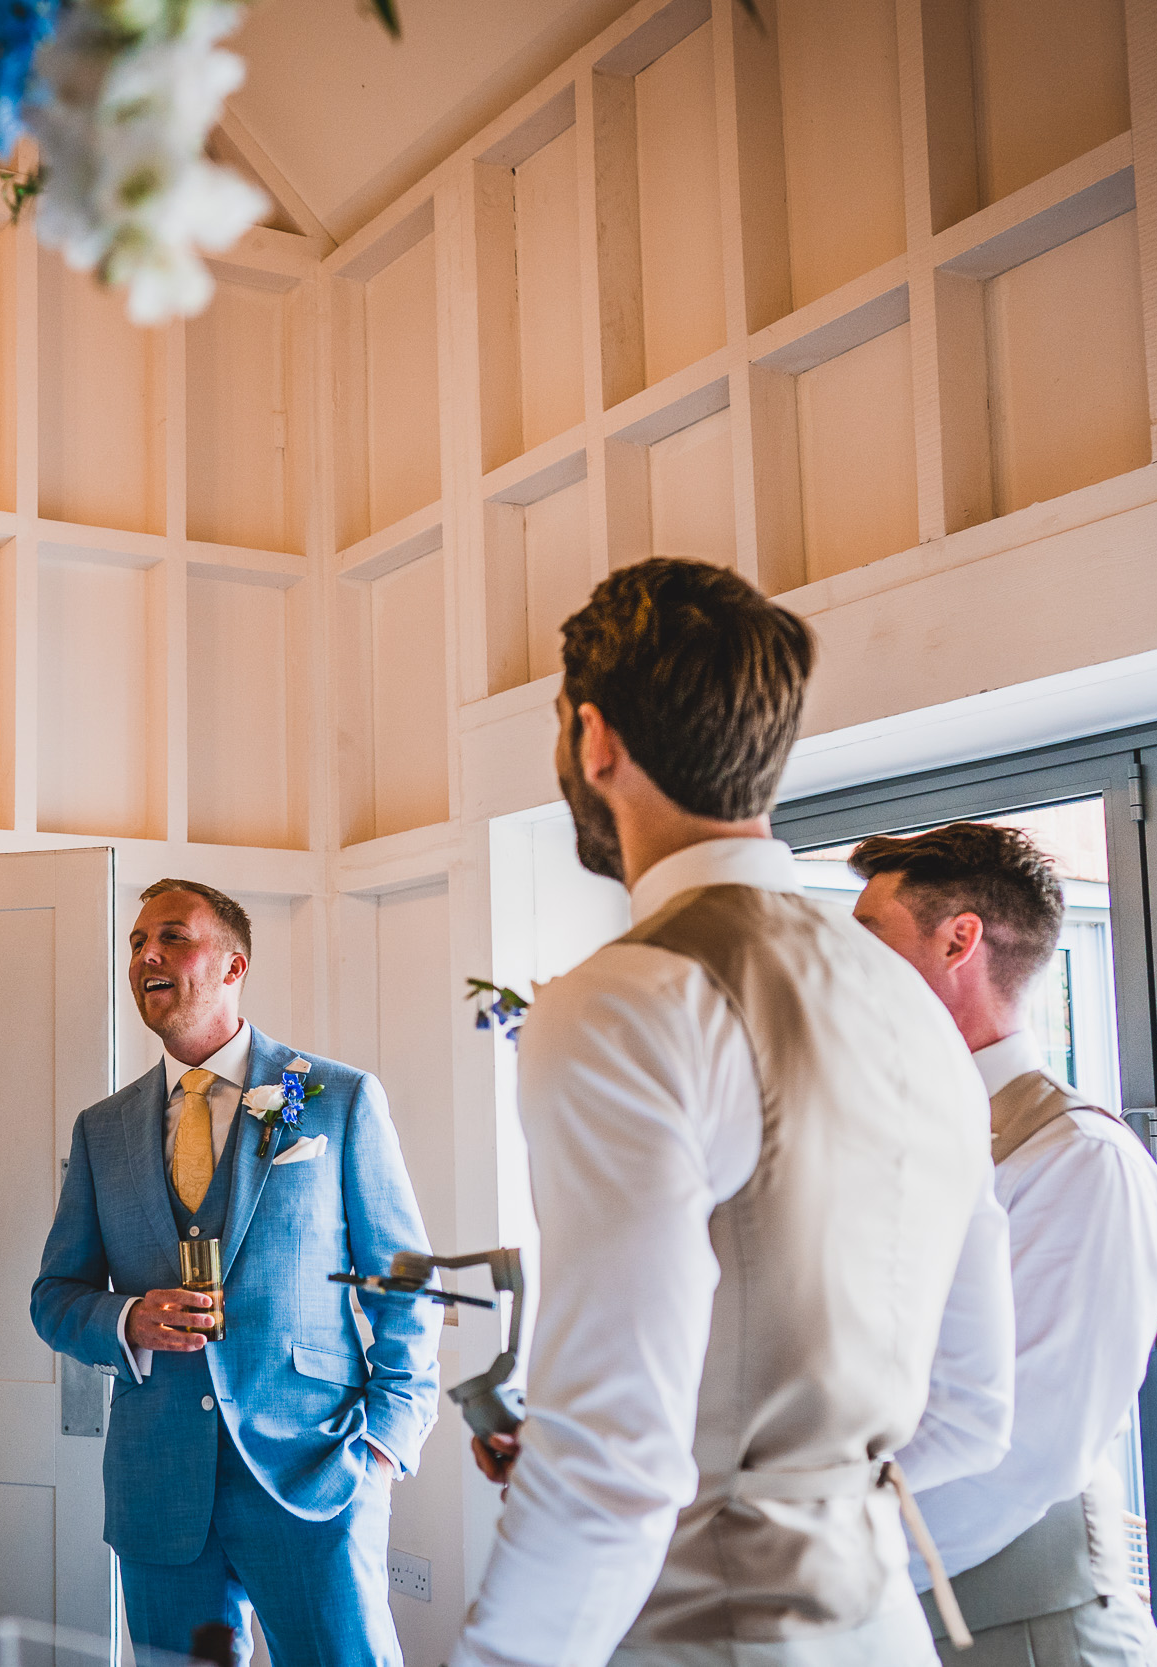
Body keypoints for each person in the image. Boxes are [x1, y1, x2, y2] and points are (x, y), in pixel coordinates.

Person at [450, 557, 1018, 1667]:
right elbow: (971, 1407)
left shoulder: (626, 998)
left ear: (593, 738)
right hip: (879, 1628)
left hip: (705, 1633)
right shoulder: (910, 1002)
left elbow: (614, 1462)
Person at [31, 879, 440, 1667]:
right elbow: (54, 1297)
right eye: (136, 941)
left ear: (232, 965)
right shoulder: (102, 1129)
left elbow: (404, 1282)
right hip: (160, 1494)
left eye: (173, 937)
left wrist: (384, 1445)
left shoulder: (329, 1097)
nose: (146, 954)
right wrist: (126, 1320)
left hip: (317, 1475)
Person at [849, 823, 1157, 1667]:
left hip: (1028, 1635)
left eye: (869, 942)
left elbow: (1021, 1450)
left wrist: (775, 1569)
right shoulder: (882, 1140)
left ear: (958, 940)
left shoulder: (1081, 1163)